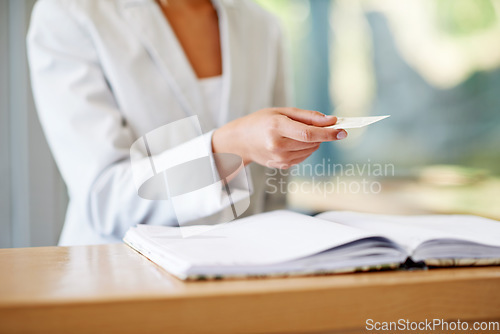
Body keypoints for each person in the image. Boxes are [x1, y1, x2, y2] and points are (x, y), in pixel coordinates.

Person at [27, 0, 347, 246]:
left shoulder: (262, 25)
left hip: (246, 277)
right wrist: (231, 146)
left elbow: (274, 195)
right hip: (119, 279)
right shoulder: (71, 14)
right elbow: (105, 198)